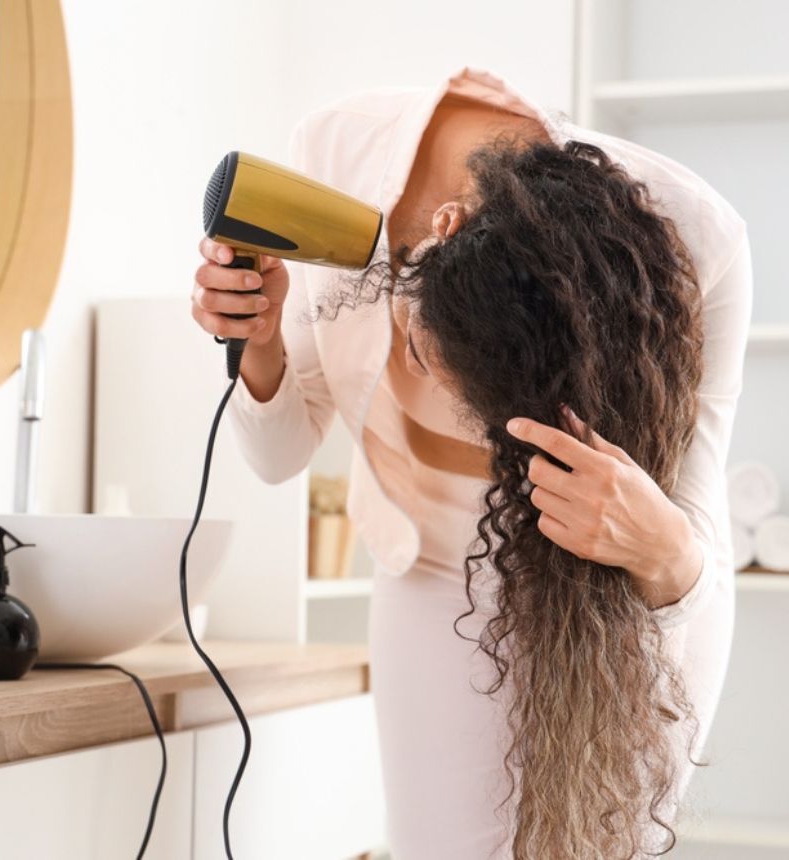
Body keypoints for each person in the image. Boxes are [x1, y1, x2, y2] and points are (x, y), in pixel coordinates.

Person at [190, 67, 752, 859]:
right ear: (441, 229)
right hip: (426, 566)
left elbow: (690, 537)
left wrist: (662, 551)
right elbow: (278, 458)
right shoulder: (336, 156)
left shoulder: (703, 241)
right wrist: (259, 341)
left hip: (625, 585)